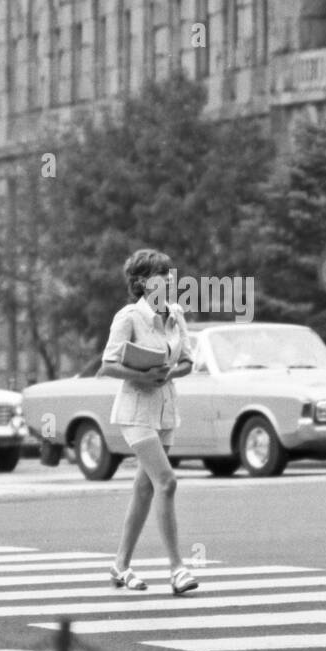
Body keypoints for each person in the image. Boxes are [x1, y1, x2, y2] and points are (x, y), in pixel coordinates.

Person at [99, 248, 198, 596]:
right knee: (166, 482)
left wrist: (169, 371)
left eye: (170, 274)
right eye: (161, 274)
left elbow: (187, 361)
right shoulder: (129, 317)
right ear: (142, 281)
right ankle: (177, 569)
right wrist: (142, 375)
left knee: (145, 488)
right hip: (136, 410)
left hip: (165, 407)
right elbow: (108, 364)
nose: (170, 280)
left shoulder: (175, 313)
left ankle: (119, 565)